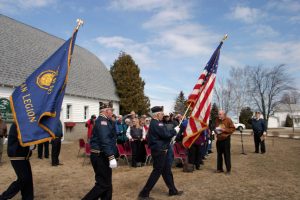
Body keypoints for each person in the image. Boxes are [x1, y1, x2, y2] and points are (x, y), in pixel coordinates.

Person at [138, 106, 183, 199]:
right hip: (159, 151)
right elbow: (166, 134)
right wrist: (175, 131)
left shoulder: (157, 123)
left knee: (166, 170)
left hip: (161, 150)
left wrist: (173, 130)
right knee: (157, 171)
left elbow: (165, 132)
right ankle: (144, 193)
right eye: (162, 114)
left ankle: (173, 190)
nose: (163, 115)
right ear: (157, 114)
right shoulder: (157, 124)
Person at [82, 102, 118, 200]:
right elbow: (104, 140)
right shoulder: (103, 122)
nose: (112, 113)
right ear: (106, 111)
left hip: (102, 154)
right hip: (100, 155)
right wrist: (111, 156)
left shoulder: (106, 120)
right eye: (111, 111)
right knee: (103, 184)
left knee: (107, 183)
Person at [0, 123, 34, 200]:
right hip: (17, 155)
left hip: (24, 155)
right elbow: (23, 139)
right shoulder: (17, 124)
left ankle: (27, 197)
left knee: (28, 178)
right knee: (23, 178)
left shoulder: (23, 124)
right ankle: (3, 197)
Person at [215, 110, 235, 174]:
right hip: (219, 139)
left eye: (220, 114)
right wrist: (216, 131)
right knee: (219, 155)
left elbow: (233, 129)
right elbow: (215, 127)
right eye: (218, 114)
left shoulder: (228, 120)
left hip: (226, 139)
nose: (219, 115)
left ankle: (228, 170)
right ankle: (219, 169)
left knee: (227, 155)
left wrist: (224, 130)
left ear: (224, 114)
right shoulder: (217, 120)